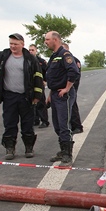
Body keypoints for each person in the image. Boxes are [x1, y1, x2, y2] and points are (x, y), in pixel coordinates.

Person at [44, 31, 80, 166]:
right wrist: (49, 95)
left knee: (64, 125)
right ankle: (62, 150)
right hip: (54, 94)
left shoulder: (65, 55)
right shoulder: (54, 56)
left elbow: (74, 72)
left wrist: (67, 88)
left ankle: (67, 154)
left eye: (47, 40)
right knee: (57, 125)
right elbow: (53, 77)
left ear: (55, 40)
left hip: (63, 95)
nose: (45, 42)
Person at [61, 42, 83, 134]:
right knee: (69, 105)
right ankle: (73, 126)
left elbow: (75, 73)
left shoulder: (73, 59)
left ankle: (77, 126)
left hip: (71, 85)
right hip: (66, 85)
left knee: (72, 105)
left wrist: (69, 86)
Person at [29, 44, 49, 128]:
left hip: (39, 85)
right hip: (30, 85)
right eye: (29, 50)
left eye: (32, 50)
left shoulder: (41, 61)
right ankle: (35, 120)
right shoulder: (26, 61)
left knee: (41, 103)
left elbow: (47, 72)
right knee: (32, 104)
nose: (31, 51)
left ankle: (44, 121)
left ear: (36, 51)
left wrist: (45, 81)